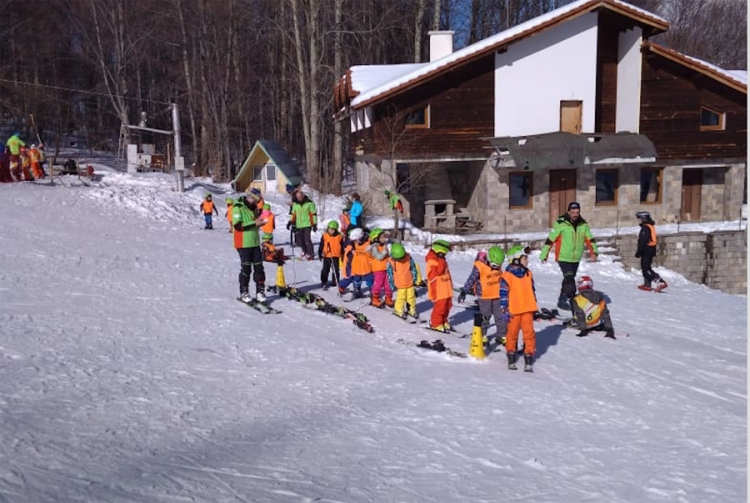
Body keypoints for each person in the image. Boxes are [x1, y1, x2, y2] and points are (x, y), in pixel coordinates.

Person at [540, 201, 598, 310]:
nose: (575, 214)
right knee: (570, 280)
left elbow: (590, 239)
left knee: (568, 279)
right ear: (568, 212)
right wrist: (544, 254)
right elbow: (550, 239)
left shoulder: (583, 225)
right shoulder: (561, 224)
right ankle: (573, 302)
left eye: (577, 212)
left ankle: (562, 300)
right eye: (573, 212)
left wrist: (594, 252)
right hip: (563, 257)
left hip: (575, 258)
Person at [458, 246, 508, 345]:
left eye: (498, 266)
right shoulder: (479, 266)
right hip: (484, 296)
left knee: (500, 315)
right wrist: (464, 291)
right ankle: (482, 334)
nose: (495, 268)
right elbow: (471, 278)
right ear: (489, 259)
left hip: (497, 295)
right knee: (485, 316)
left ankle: (501, 335)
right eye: (494, 265)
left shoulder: (497, 265)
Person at [501, 246, 538, 372]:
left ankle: (529, 356)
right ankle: (511, 356)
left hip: (528, 309)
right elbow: (503, 294)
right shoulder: (507, 276)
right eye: (524, 258)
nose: (527, 260)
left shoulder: (528, 273)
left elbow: (532, 290)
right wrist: (504, 309)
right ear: (516, 260)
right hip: (514, 311)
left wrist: (535, 306)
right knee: (512, 334)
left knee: (529, 334)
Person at [232, 195, 266, 303]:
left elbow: (254, 224)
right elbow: (237, 226)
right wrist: (254, 223)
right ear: (249, 198)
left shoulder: (253, 209)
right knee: (246, 268)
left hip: (255, 242)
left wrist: (260, 223)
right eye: (255, 201)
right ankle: (244, 292)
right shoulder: (237, 207)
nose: (256, 203)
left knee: (259, 268)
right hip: (243, 243)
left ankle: (260, 291)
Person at [635, 211, 668, 292]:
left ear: (644, 218)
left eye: (641, 219)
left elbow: (643, 241)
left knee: (646, 268)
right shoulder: (650, 226)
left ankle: (660, 282)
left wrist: (638, 252)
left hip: (647, 249)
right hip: (650, 249)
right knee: (645, 267)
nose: (640, 220)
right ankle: (647, 284)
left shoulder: (645, 228)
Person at [426, 239, 454, 332]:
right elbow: (438, 272)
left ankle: (443, 320)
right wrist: (441, 260)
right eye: (444, 253)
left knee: (448, 305)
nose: (445, 256)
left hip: (446, 287)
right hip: (438, 289)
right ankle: (436, 323)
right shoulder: (432, 260)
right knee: (440, 307)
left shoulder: (441, 259)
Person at [338, 227, 373, 298]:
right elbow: (348, 244)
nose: (355, 242)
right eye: (354, 241)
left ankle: (373, 292)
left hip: (367, 267)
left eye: (356, 241)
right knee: (356, 280)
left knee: (370, 280)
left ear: (360, 238)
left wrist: (371, 249)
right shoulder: (354, 245)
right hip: (357, 267)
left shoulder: (368, 244)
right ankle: (357, 291)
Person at [387, 242, 418, 319]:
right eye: (399, 258)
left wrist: (414, 278)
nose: (402, 259)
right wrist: (391, 284)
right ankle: (398, 310)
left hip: (409, 282)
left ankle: (411, 309)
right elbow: (390, 274)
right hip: (400, 284)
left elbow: (413, 268)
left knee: (411, 297)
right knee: (401, 297)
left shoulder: (408, 258)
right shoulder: (391, 262)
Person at [287, 189, 317, 260]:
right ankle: (304, 251)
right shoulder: (295, 204)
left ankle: (310, 253)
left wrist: (314, 224)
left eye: (301, 196)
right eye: (298, 197)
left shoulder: (309, 203)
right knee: (301, 240)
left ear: (303, 196)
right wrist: (290, 222)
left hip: (307, 224)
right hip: (299, 224)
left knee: (307, 239)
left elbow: (313, 214)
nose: (299, 198)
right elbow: (293, 214)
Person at [368, 228, 394, 308]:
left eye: (384, 237)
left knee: (389, 283)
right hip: (378, 269)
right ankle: (375, 298)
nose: (384, 239)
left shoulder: (384, 246)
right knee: (378, 284)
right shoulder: (373, 248)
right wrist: (385, 251)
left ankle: (388, 298)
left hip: (386, 268)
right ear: (376, 238)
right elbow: (379, 257)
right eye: (382, 237)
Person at [318, 220, 344, 288]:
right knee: (325, 269)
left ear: (336, 230)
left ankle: (335, 281)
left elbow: (342, 246)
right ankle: (324, 281)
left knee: (336, 269)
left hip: (336, 255)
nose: (331, 231)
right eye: (329, 229)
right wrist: (320, 253)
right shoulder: (325, 236)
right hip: (327, 255)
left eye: (333, 230)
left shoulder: (340, 237)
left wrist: (342, 254)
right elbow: (321, 245)